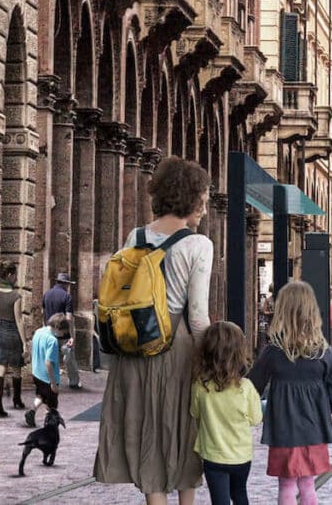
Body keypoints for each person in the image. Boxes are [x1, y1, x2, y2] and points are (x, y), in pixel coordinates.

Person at [95, 156, 215, 505]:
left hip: (136, 346)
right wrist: (216, 360)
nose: (204, 211)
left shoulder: (137, 236)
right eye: (203, 202)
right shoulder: (198, 245)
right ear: (188, 198)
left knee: (147, 431)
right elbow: (197, 317)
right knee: (181, 432)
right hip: (176, 349)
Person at [247, 281, 332, 505]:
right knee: (308, 485)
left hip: (283, 430)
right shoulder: (323, 352)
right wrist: (325, 407)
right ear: (312, 312)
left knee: (286, 485)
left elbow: (252, 387)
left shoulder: (273, 352)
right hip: (314, 431)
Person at [191, 322, 262, 505]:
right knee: (239, 494)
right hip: (241, 455)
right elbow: (256, 419)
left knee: (219, 500)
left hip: (213, 455)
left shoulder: (200, 386)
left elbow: (195, 413)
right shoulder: (246, 388)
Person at [0, 258, 26, 417]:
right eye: (15, 275)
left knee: (1, 367)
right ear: (10, 275)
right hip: (13, 333)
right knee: (16, 368)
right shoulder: (16, 296)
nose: (16, 278)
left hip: (1, 333)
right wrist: (25, 343)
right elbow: (19, 319)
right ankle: (17, 399)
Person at [26, 313, 68, 427]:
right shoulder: (52, 340)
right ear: (58, 327)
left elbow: (32, 349)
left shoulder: (38, 331)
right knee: (52, 404)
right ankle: (49, 423)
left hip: (36, 372)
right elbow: (49, 362)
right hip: (47, 377)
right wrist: (53, 383)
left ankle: (32, 411)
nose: (62, 335)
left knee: (41, 395)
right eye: (63, 331)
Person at [42, 272, 80, 390]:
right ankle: (73, 381)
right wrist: (71, 336)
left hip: (49, 331)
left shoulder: (46, 294)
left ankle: (49, 380)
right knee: (69, 356)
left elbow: (43, 313)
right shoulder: (66, 296)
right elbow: (68, 318)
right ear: (66, 284)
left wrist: (46, 327)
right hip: (63, 333)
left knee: (50, 357)